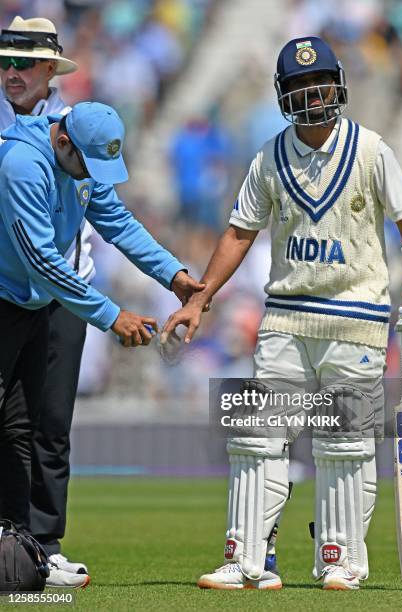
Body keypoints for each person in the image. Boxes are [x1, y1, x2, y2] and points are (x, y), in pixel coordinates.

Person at [162, 36, 402, 591]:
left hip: (357, 319)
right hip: (286, 318)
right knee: (255, 437)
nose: (311, 93)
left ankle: (340, 559)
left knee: (343, 444)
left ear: (337, 84)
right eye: (298, 86)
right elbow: (238, 232)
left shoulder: (372, 150)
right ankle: (247, 561)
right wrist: (199, 299)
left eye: (318, 81)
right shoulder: (269, 157)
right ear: (283, 95)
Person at [0, 101, 203, 587]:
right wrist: (113, 317)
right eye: (90, 165)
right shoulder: (21, 166)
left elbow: (118, 222)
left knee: (22, 431)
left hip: (31, 304)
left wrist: (173, 275)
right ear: (64, 142)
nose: (94, 176)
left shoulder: (79, 162)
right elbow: (41, 262)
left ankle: (23, 551)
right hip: (6, 298)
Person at [0, 15, 94, 588]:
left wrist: (171, 273)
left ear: (51, 70)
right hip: (6, 293)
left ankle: (41, 546)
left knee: (50, 424)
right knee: (10, 423)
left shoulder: (76, 126)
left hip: (64, 289)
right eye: (5, 62)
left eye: (24, 63)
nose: (11, 73)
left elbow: (110, 212)